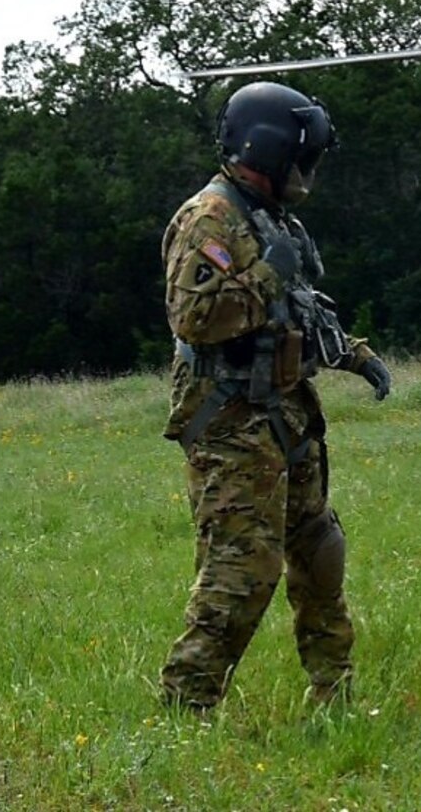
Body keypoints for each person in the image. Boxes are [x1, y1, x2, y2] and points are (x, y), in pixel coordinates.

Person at [159, 81, 393, 713]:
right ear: (268, 151)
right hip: (230, 417)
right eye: (302, 155)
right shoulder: (209, 219)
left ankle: (333, 693)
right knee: (242, 572)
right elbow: (195, 319)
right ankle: (188, 704)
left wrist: (353, 354)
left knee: (320, 555)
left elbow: (298, 312)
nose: (308, 170)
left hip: (287, 412)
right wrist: (268, 273)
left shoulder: (270, 218)